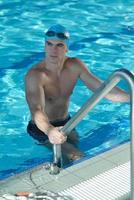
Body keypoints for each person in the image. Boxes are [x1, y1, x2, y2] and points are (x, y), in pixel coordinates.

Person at [25, 24, 129, 162]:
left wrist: (131, 96)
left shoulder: (75, 66)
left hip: (67, 122)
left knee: (76, 154)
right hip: (41, 128)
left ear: (67, 48)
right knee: (78, 156)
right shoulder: (35, 75)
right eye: (49, 44)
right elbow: (36, 110)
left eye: (59, 45)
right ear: (45, 46)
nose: (53, 50)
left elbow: (104, 90)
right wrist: (49, 131)